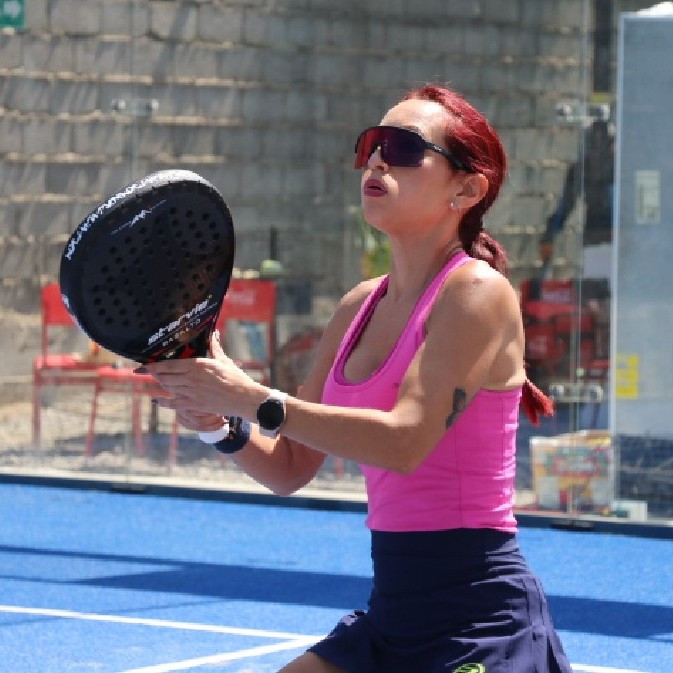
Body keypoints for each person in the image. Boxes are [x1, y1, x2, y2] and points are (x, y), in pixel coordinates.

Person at [143, 84, 571, 673]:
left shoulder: (476, 292)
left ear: (467, 190)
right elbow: (290, 467)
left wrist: (250, 396)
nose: (377, 161)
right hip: (393, 610)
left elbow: (405, 442)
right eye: (372, 144)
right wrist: (220, 423)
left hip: (479, 616)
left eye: (403, 148)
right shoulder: (358, 306)